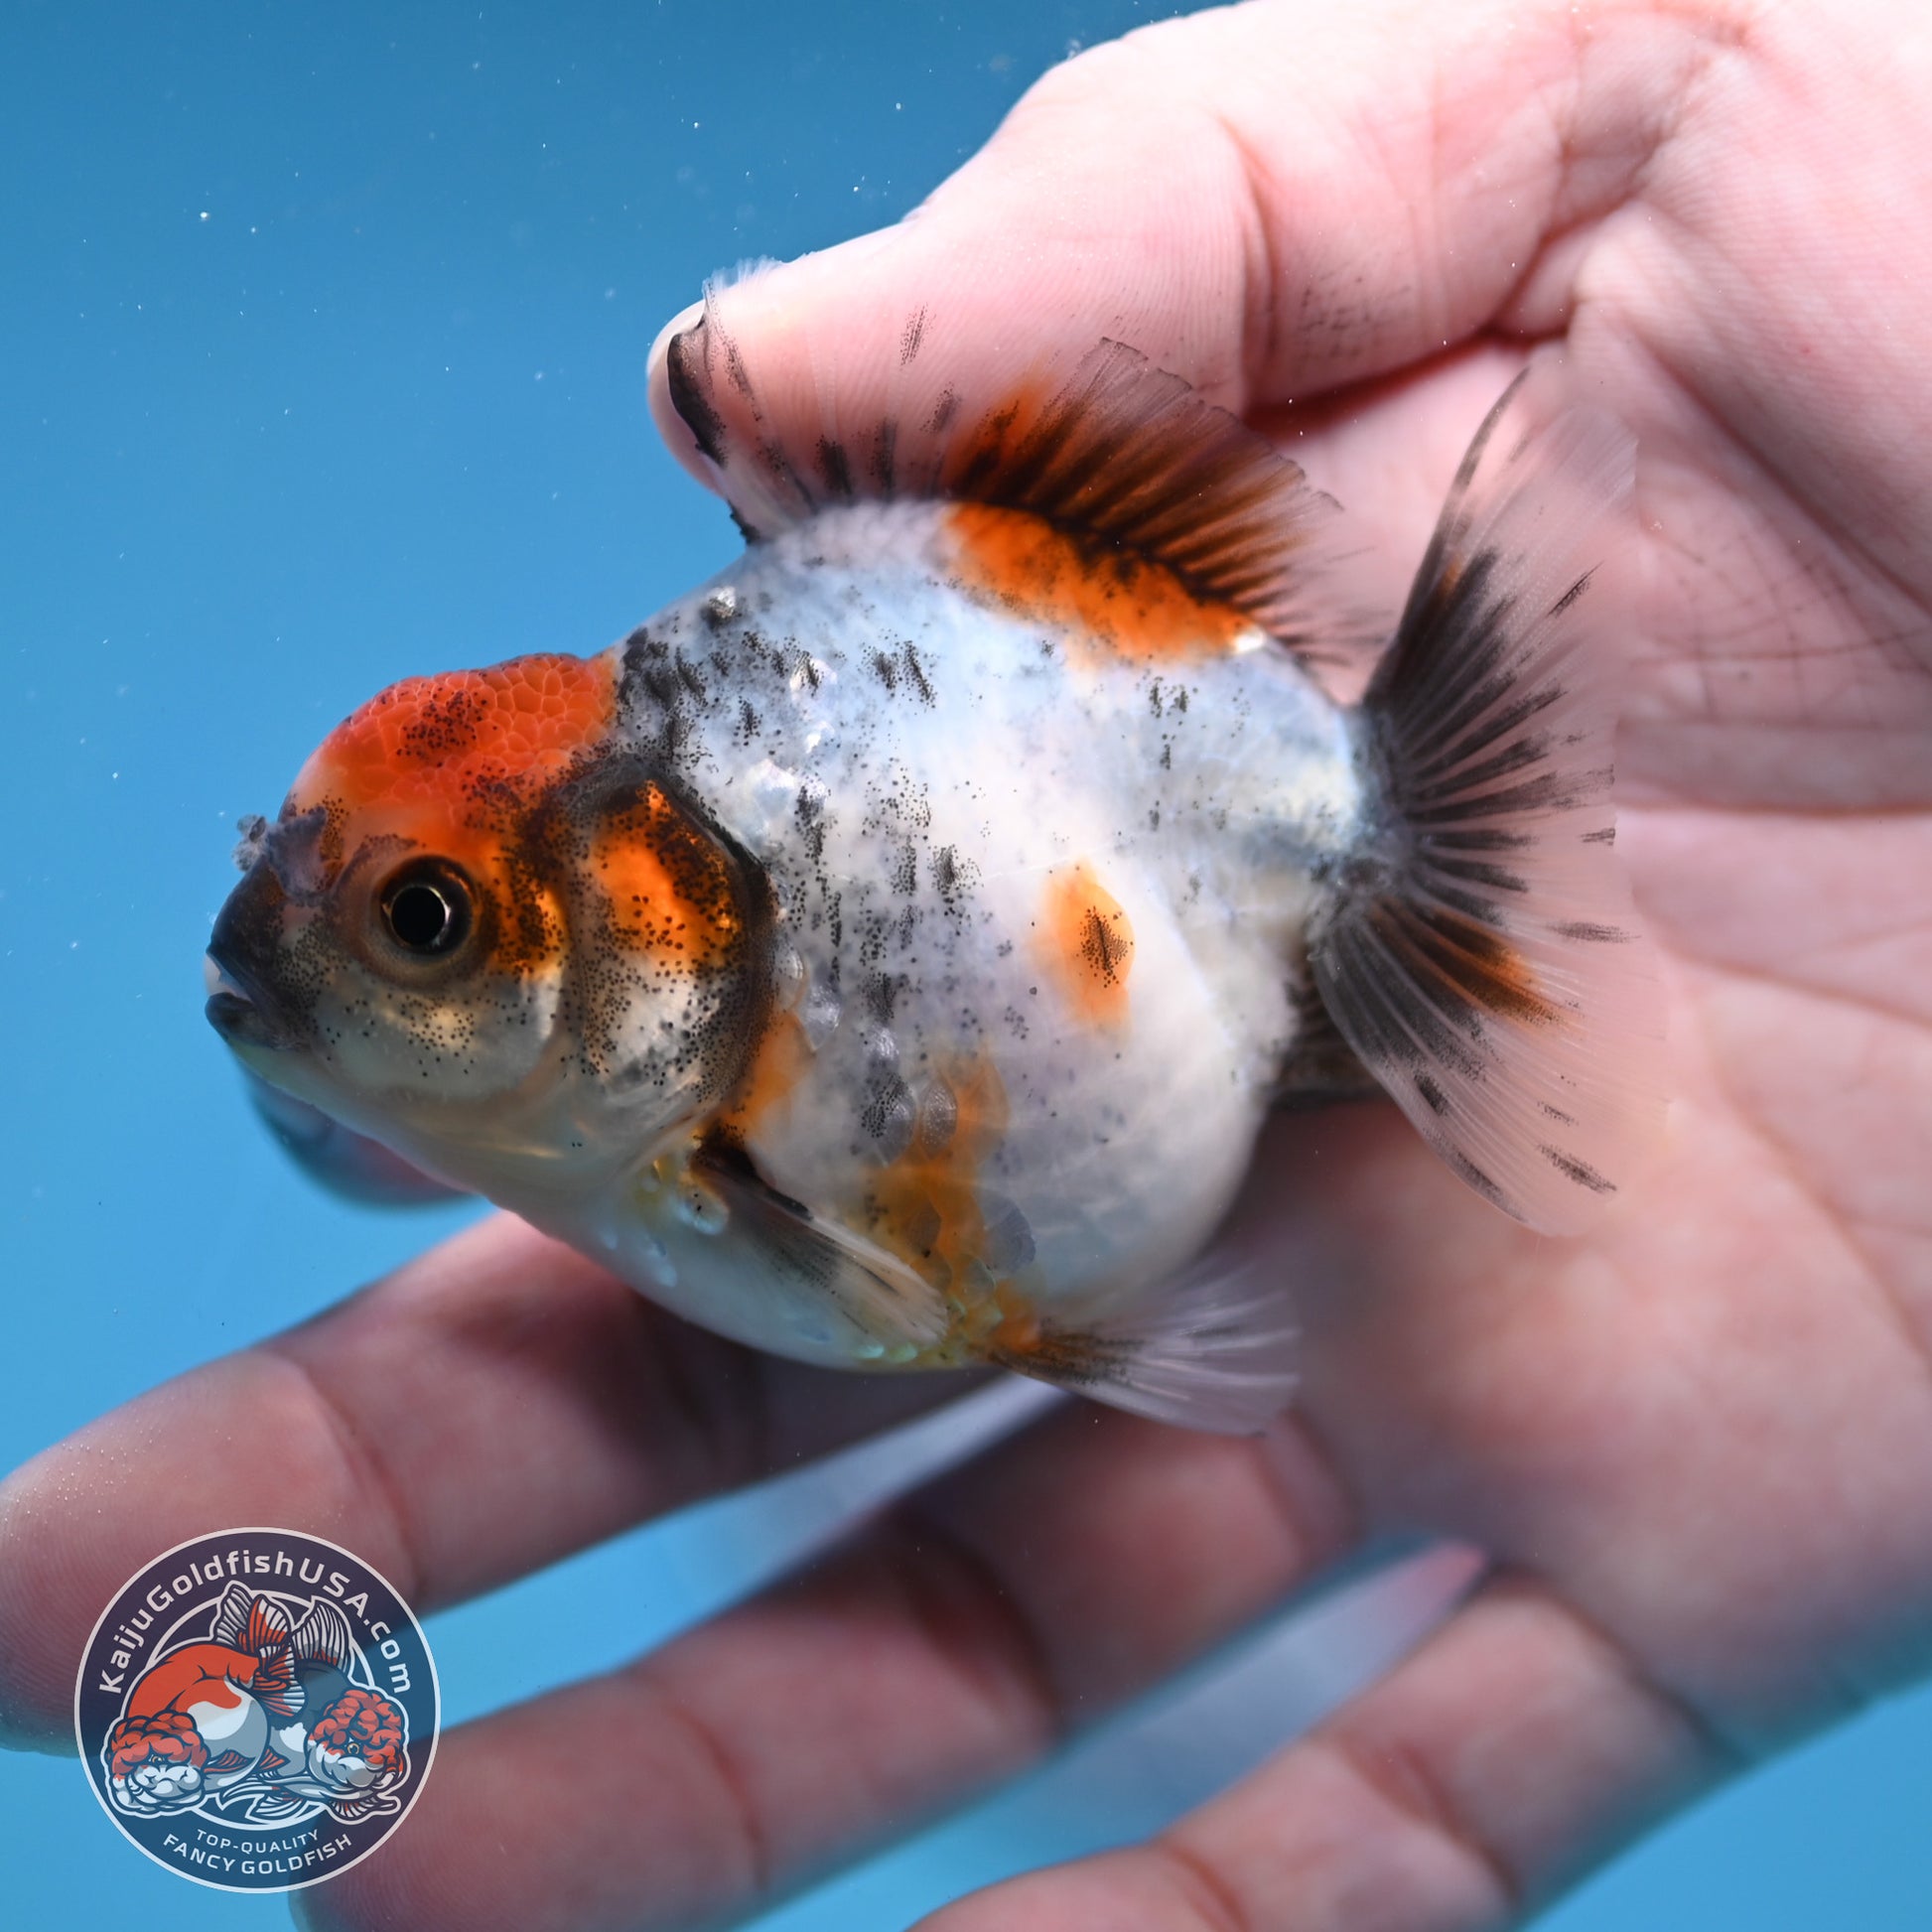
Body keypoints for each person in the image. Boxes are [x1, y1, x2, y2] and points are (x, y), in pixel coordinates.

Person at [5, 0, 1929, 1925]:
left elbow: (943, 1286)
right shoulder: (668, 1111)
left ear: (663, 908)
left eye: (428, 928)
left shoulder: (735, 1098)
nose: (330, 970)